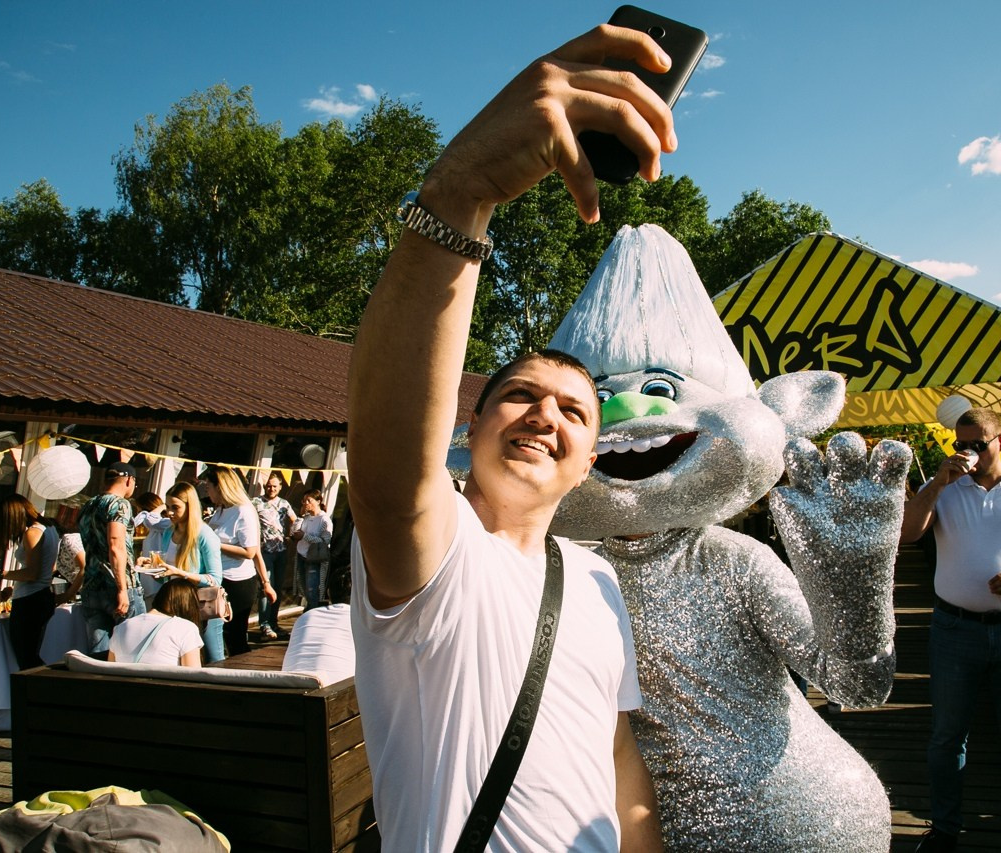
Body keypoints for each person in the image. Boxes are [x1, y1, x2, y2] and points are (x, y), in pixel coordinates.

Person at [345, 22, 667, 852]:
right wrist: (461, 191)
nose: (544, 415)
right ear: (471, 427)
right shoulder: (442, 549)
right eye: (519, 395)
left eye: (573, 412)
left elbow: (618, 761)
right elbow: (390, 477)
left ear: (588, 462)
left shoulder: (596, 579)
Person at [900, 407, 1001, 853]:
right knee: (947, 737)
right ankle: (944, 831)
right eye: (960, 444)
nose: (967, 452)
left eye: (977, 444)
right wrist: (938, 483)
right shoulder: (945, 490)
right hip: (955, 628)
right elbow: (908, 534)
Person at [0, 495, 60, 669]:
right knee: (31, 655)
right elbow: (49, 568)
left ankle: (39, 686)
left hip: (29, 602)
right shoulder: (50, 528)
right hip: (41, 597)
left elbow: (32, 573)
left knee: (26, 659)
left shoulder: (32, 533)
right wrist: (14, 588)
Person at [141, 481, 225, 662]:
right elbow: (164, 576)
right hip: (174, 606)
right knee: (178, 658)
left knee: (213, 660)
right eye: (167, 507)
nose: (170, 512)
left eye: (175, 507)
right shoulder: (168, 532)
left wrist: (181, 573)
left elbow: (215, 579)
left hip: (201, 606)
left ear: (190, 507)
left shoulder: (204, 534)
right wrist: (152, 567)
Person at [200, 466, 273, 656]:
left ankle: (241, 667)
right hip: (217, 578)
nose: (207, 491)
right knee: (215, 633)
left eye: (208, 487)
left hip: (237, 582)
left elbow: (251, 552)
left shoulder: (243, 511)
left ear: (220, 487)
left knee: (235, 635)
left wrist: (215, 544)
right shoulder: (220, 510)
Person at [77, 462, 146, 658]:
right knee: (133, 649)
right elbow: (115, 545)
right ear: (129, 480)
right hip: (117, 584)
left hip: (91, 585)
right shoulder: (119, 504)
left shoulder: (88, 505)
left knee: (98, 653)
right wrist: (122, 589)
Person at [283, 562, 353, 684]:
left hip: (288, 686)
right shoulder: (361, 620)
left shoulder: (306, 616)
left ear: (329, 593)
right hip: (337, 690)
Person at [108, 578, 204, 667]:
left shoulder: (121, 627)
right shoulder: (186, 628)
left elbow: (110, 670)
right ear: (188, 605)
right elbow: (192, 675)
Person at [252, 472, 297, 640]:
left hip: (281, 550)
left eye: (275, 486)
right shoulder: (256, 502)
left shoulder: (284, 503)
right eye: (269, 486)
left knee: (277, 587)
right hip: (265, 551)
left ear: (280, 487)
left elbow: (295, 520)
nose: (271, 489)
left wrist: (291, 536)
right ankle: (264, 625)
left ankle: (273, 622)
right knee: (267, 587)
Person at [291, 489, 332, 611]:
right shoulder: (306, 517)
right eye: (304, 501)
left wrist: (305, 536)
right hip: (301, 555)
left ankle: (312, 612)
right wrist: (300, 516)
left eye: (309, 500)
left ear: (318, 501)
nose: (306, 503)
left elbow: (325, 541)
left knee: (312, 590)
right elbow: (293, 531)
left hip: (314, 559)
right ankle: (308, 609)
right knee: (303, 588)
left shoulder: (324, 520)